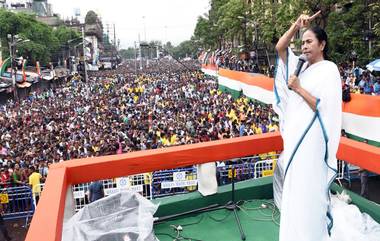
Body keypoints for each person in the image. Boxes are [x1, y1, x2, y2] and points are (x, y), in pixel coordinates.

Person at [273, 10, 342, 241]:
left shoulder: (329, 70)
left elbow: (322, 107)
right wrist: (296, 25)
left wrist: (299, 88)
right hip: (295, 140)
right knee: (295, 191)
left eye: (309, 41)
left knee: (309, 190)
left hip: (312, 141)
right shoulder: (301, 66)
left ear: (322, 44)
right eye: (302, 42)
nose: (304, 46)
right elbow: (280, 48)